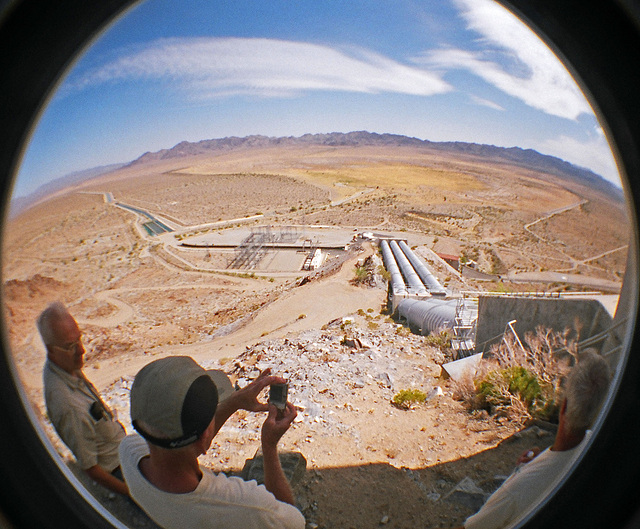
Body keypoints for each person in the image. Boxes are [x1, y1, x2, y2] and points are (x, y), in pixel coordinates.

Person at [119, 355, 305, 529]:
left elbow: (178, 444)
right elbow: (293, 522)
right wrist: (269, 446)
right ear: (205, 437)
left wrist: (234, 403)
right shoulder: (249, 506)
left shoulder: (127, 451)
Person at [456, 351, 611, 529]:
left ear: (565, 406)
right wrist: (537, 462)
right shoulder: (597, 446)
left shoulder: (517, 491)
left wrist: (530, 471)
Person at [38, 301, 128, 496]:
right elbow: (91, 468)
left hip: (121, 454)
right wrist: (131, 493)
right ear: (51, 349)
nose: (82, 350)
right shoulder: (67, 404)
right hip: (117, 471)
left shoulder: (67, 367)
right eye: (71, 346)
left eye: (79, 340)